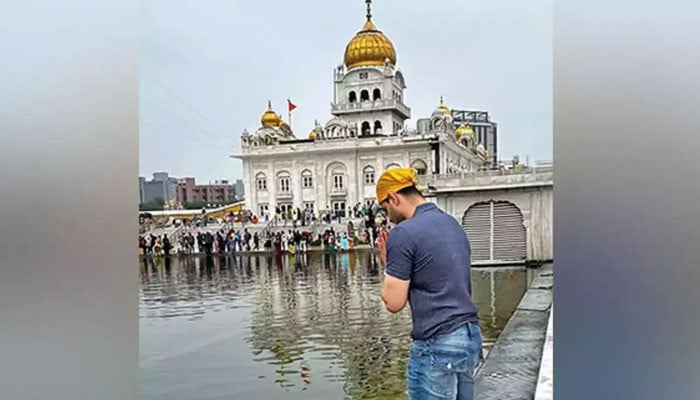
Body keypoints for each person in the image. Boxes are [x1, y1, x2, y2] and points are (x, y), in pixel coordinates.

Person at [375, 167, 482, 400]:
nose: (388, 217)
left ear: (394, 198)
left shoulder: (403, 233)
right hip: (469, 335)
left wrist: (387, 266)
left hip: (437, 341)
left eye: (386, 209)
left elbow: (394, 303)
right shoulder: (452, 224)